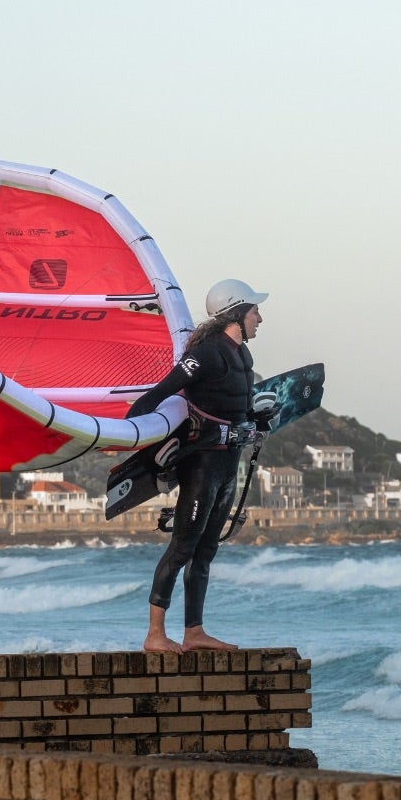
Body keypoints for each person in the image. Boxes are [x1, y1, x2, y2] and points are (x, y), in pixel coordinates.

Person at [125, 279, 278, 653]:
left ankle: (194, 631)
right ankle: (155, 635)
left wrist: (256, 419)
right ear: (237, 313)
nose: (261, 316)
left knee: (207, 549)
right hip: (202, 462)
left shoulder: (243, 355)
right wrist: (132, 434)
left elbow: (234, 406)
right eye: (255, 310)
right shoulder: (207, 353)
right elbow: (162, 391)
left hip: (229, 462)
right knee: (182, 547)